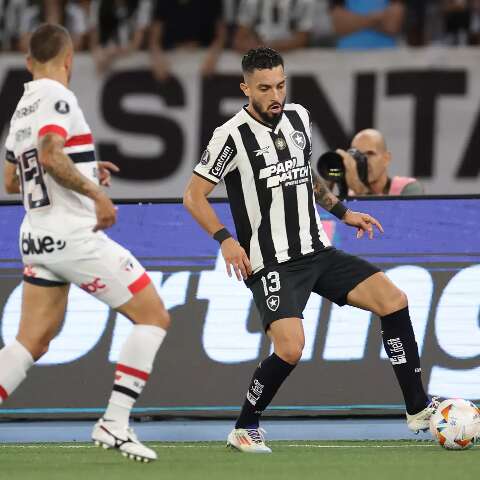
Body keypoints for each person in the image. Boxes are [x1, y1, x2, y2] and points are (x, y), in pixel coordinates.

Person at [183, 47, 437, 453]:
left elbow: (307, 178)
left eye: (280, 85)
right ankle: (244, 427)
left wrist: (343, 211)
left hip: (317, 250)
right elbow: (194, 197)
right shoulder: (229, 136)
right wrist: (226, 240)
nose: (275, 95)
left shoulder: (299, 117)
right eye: (265, 88)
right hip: (272, 262)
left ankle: (418, 408)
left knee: (394, 299)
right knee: (290, 348)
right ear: (246, 88)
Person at [2, 24, 170, 463]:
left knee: (32, 342)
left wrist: (88, 170)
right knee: (153, 315)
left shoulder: (20, 108)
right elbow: (51, 154)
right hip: (71, 235)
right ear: (69, 58)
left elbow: (11, 178)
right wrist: (97, 194)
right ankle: (114, 422)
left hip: (35, 233)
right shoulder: (59, 97)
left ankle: (114, 423)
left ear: (27, 62)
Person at [149, 0, 226, 81]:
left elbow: (221, 34)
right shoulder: (163, 2)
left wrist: (213, 56)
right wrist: (157, 57)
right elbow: (154, 37)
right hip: (171, 57)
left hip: (203, 56)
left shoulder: (212, 2)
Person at [336, 129, 424, 196]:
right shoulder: (349, 195)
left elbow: (398, 219)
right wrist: (326, 186)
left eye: (370, 153)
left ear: (386, 159)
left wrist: (361, 192)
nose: (363, 161)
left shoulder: (408, 188)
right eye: (357, 155)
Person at [233, 0, 315, 53]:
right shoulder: (251, 2)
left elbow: (302, 39)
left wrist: (265, 48)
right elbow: (239, 39)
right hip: (259, 64)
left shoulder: (304, 2)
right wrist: (250, 45)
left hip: (295, 62)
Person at [329, 0, 406, 49]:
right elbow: (338, 25)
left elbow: (393, 25)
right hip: (348, 62)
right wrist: (378, 18)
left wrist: (354, 21)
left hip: (386, 61)